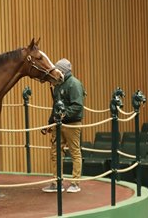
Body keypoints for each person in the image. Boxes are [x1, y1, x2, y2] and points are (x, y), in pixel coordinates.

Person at [42, 58, 85, 194]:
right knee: (55, 153)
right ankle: (56, 182)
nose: (56, 71)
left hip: (72, 124)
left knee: (74, 152)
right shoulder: (58, 85)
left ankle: (75, 182)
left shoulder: (74, 84)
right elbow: (55, 106)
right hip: (58, 124)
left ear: (64, 71)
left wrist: (63, 115)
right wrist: (49, 123)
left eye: (58, 69)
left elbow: (77, 106)